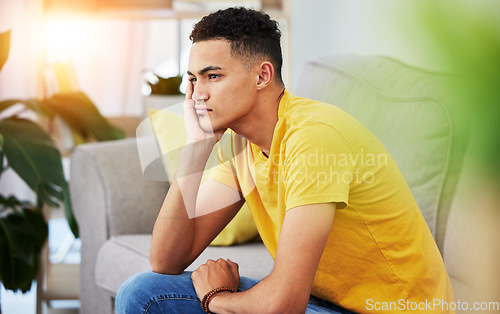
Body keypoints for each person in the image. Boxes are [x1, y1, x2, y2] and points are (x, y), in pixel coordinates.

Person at [116, 7, 454, 313]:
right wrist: (194, 151)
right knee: (144, 291)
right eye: (192, 79)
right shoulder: (237, 144)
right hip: (319, 303)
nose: (197, 95)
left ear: (262, 76)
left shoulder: (313, 138)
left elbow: (284, 304)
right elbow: (165, 260)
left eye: (213, 76)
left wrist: (216, 298)